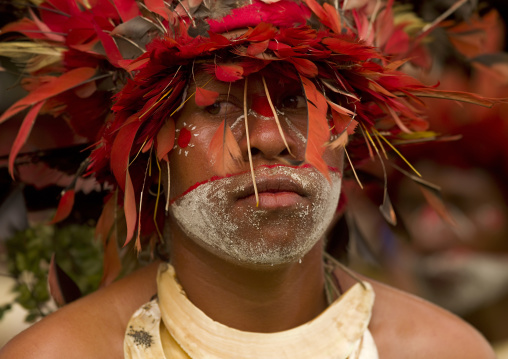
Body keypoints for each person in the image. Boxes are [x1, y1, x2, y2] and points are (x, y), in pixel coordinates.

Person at [0, 0, 499, 357]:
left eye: (296, 101)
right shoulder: (64, 352)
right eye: (215, 105)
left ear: (345, 135)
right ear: (149, 154)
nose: (267, 138)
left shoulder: (441, 350)